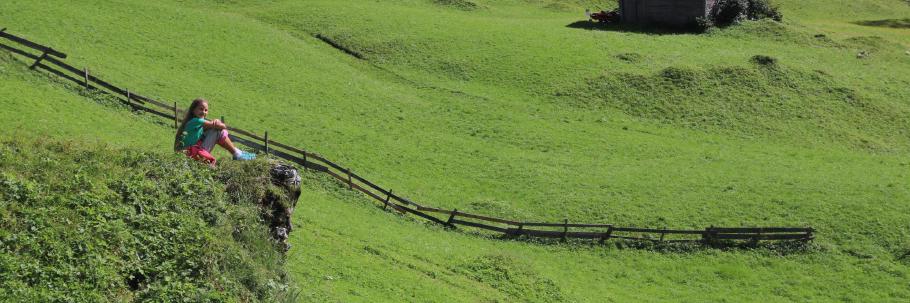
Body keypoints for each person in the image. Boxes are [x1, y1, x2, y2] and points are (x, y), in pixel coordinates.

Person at [174, 98, 256, 165]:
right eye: (201, 109)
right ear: (193, 110)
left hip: (189, 152)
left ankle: (238, 153)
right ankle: (238, 154)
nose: (203, 112)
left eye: (206, 110)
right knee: (217, 131)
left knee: (214, 130)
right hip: (191, 154)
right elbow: (223, 127)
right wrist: (217, 121)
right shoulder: (196, 121)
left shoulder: (193, 122)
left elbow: (211, 127)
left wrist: (216, 122)